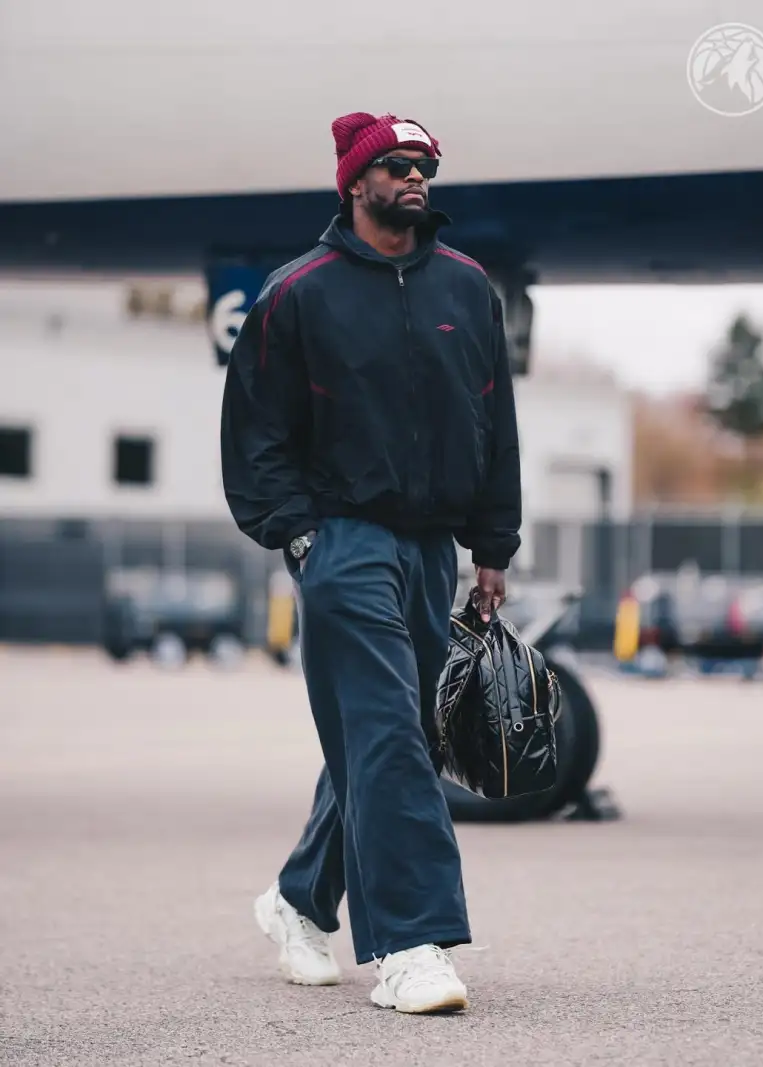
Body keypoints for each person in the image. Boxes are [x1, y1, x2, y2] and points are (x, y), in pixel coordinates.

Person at [220, 111, 522, 1014]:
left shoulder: (469, 289)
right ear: (356, 182)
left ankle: (299, 899)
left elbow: (494, 424)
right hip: (342, 540)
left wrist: (492, 547)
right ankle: (411, 945)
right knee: (389, 733)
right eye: (398, 164)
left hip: (433, 544)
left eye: (426, 162)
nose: (418, 176)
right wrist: (298, 534)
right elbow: (256, 431)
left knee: (399, 736)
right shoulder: (298, 293)